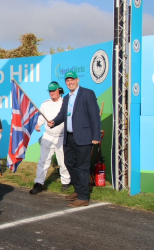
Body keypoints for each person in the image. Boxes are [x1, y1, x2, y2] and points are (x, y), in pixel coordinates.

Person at [47, 71, 100, 207]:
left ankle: (83, 197)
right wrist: (54, 122)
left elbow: (95, 116)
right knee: (69, 163)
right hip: (69, 137)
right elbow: (62, 115)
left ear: (77, 80)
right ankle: (78, 189)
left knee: (82, 167)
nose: (70, 82)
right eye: (67, 81)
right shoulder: (66, 98)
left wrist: (95, 136)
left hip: (84, 137)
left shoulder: (88, 93)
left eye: (72, 80)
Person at [30, 81, 71, 194]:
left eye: (54, 90)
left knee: (63, 161)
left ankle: (66, 182)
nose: (52, 93)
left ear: (59, 90)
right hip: (48, 136)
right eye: (50, 91)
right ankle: (39, 183)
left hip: (61, 136)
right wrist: (38, 125)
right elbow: (41, 117)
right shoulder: (45, 104)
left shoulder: (65, 103)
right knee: (43, 160)